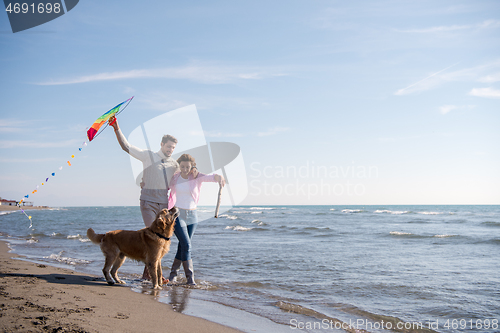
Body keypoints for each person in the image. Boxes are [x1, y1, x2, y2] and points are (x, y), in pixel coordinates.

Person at [108, 115, 197, 281]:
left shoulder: (174, 165)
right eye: (168, 146)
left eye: (173, 148)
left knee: (160, 242)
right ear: (162, 144)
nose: (170, 150)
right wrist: (116, 127)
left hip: (164, 203)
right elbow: (126, 146)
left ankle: (147, 274)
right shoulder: (148, 156)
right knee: (154, 238)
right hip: (148, 202)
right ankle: (157, 276)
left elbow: (186, 174)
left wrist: (195, 171)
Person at [167, 153, 225, 285]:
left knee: (183, 246)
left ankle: (172, 276)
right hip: (177, 214)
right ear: (179, 166)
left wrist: (219, 177)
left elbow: (211, 177)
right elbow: (164, 186)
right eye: (182, 167)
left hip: (193, 216)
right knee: (187, 245)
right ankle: (190, 279)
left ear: (192, 166)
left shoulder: (196, 176)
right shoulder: (175, 177)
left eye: (188, 167)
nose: (185, 169)